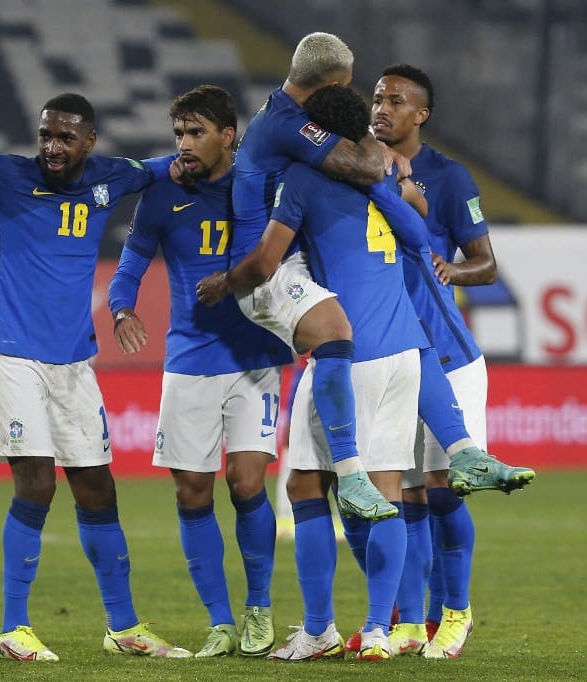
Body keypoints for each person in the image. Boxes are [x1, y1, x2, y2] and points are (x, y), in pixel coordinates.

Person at [0, 24, 189, 662]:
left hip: (74, 363)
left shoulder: (112, 178)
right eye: (45, 134)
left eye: (65, 136)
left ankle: (123, 628)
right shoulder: (6, 177)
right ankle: (15, 628)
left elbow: (168, 168)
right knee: (36, 484)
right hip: (12, 354)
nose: (52, 146)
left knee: (97, 487)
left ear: (89, 141)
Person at [210, 84, 433, 662]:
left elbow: (265, 260)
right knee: (388, 491)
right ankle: (381, 631)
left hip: (348, 350)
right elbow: (419, 237)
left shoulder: (307, 180)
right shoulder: (379, 180)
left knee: (307, 486)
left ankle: (318, 630)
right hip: (403, 352)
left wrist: (224, 283)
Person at [109, 85, 289, 658]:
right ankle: (220, 621)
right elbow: (133, 260)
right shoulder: (163, 194)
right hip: (188, 359)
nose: (184, 145)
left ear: (228, 135)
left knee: (246, 483)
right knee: (191, 492)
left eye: (196, 133)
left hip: (253, 356)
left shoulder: (258, 185)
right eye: (179, 134)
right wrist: (121, 305)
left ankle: (258, 608)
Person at [195, 32, 402, 523]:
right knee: (335, 331)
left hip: (289, 260)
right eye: (345, 89)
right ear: (330, 83)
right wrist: (364, 129)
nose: (347, 98)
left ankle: (318, 474)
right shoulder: (288, 124)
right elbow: (370, 167)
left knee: (336, 354)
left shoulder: (287, 116)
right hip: (263, 270)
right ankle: (353, 476)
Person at [371, 63, 535, 659]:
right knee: (407, 495)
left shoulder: (447, 176)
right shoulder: (356, 170)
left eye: (397, 100)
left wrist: (448, 267)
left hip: (447, 356)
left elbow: (485, 264)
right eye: (378, 97)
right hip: (392, 359)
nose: (382, 107)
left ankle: (457, 613)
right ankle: (413, 622)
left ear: (422, 115)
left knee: (443, 490)